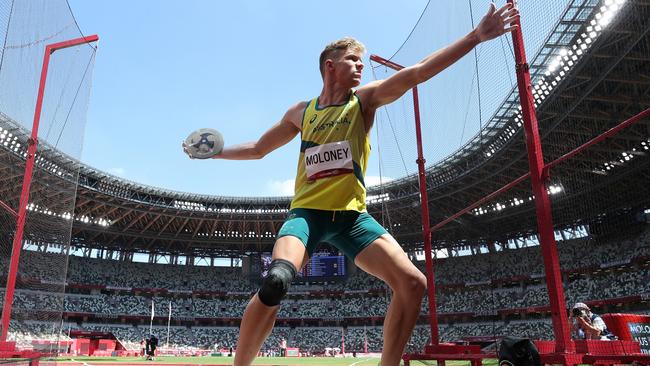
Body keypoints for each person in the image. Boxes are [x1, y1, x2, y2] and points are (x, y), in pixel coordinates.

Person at [183, 4, 518, 365]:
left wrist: (474, 37)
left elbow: (417, 73)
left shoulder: (365, 101)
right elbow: (259, 148)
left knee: (413, 284)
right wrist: (214, 153)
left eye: (361, 62)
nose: (361, 66)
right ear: (331, 65)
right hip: (307, 216)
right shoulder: (301, 112)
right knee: (277, 279)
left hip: (352, 218)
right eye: (354, 60)